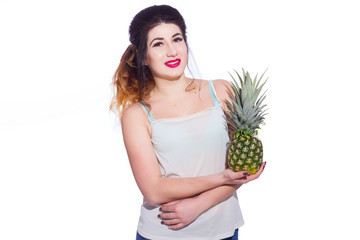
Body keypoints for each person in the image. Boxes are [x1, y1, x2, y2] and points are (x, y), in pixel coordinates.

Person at [110, 5, 265, 240]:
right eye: (158, 44)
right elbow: (153, 190)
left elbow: (241, 169)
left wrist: (199, 205)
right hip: (163, 234)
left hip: (223, 231)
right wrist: (222, 178)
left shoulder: (221, 91)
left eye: (177, 39)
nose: (172, 51)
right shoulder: (137, 114)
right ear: (143, 56)